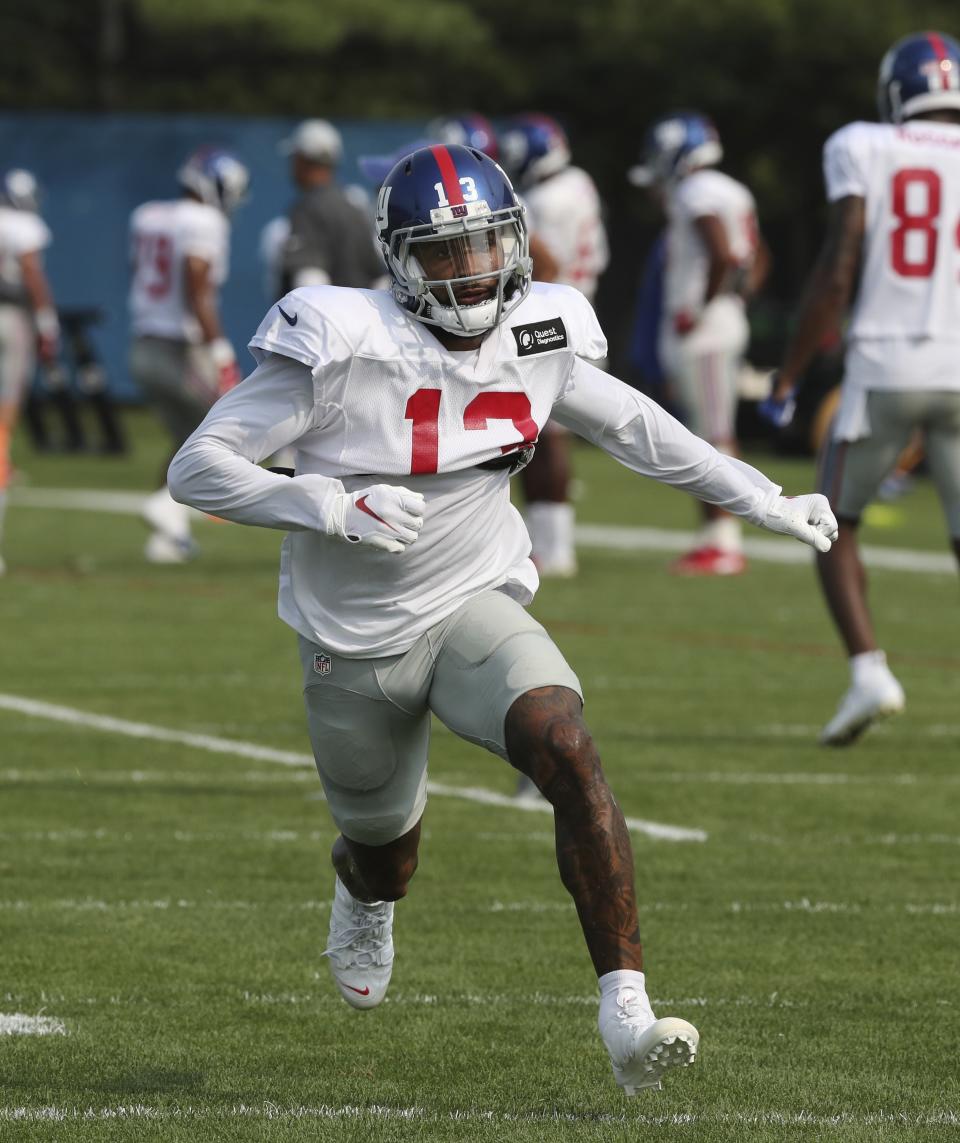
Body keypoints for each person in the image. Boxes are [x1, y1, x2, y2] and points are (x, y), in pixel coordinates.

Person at [168, 144, 837, 1095]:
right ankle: (363, 890)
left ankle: (627, 1009)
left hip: (472, 596)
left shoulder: (539, 331)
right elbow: (197, 468)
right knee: (384, 852)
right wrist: (328, 504)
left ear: (515, 241)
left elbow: (642, 430)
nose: (471, 270)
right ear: (399, 261)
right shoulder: (341, 340)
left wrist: (766, 498)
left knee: (563, 739)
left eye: (485, 246)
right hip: (355, 639)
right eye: (443, 254)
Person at [762, 31, 960, 746]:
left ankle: (869, 670)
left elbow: (840, 264)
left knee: (830, 519)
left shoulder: (865, 144)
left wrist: (789, 372)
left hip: (886, 367)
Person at [630, 111, 770, 576]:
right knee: (706, 433)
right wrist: (736, 299)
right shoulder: (731, 189)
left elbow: (725, 253)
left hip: (706, 331)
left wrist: (705, 306)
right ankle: (715, 536)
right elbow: (756, 257)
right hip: (721, 323)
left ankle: (725, 542)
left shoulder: (697, 191)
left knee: (713, 436)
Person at [128, 146, 249, 564]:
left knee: (187, 441)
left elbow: (140, 271)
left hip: (142, 343)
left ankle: (168, 538)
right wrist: (218, 348)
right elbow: (196, 281)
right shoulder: (205, 221)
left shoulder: (148, 214)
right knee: (234, 428)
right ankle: (165, 505)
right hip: (179, 348)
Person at [500, 113, 609, 579]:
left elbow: (542, 259)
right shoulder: (580, 184)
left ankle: (554, 546)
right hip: (581, 310)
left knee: (540, 437)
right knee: (541, 436)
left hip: (550, 319)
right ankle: (549, 544)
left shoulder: (540, 199)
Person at [0, 169, 60, 576]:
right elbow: (31, 270)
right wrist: (46, 321)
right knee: (7, 402)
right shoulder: (25, 225)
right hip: (10, 314)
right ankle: (2, 457)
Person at [278, 118, 385, 294]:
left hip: (326, 318)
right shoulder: (354, 206)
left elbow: (309, 279)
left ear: (304, 159)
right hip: (364, 316)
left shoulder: (308, 208)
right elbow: (379, 279)